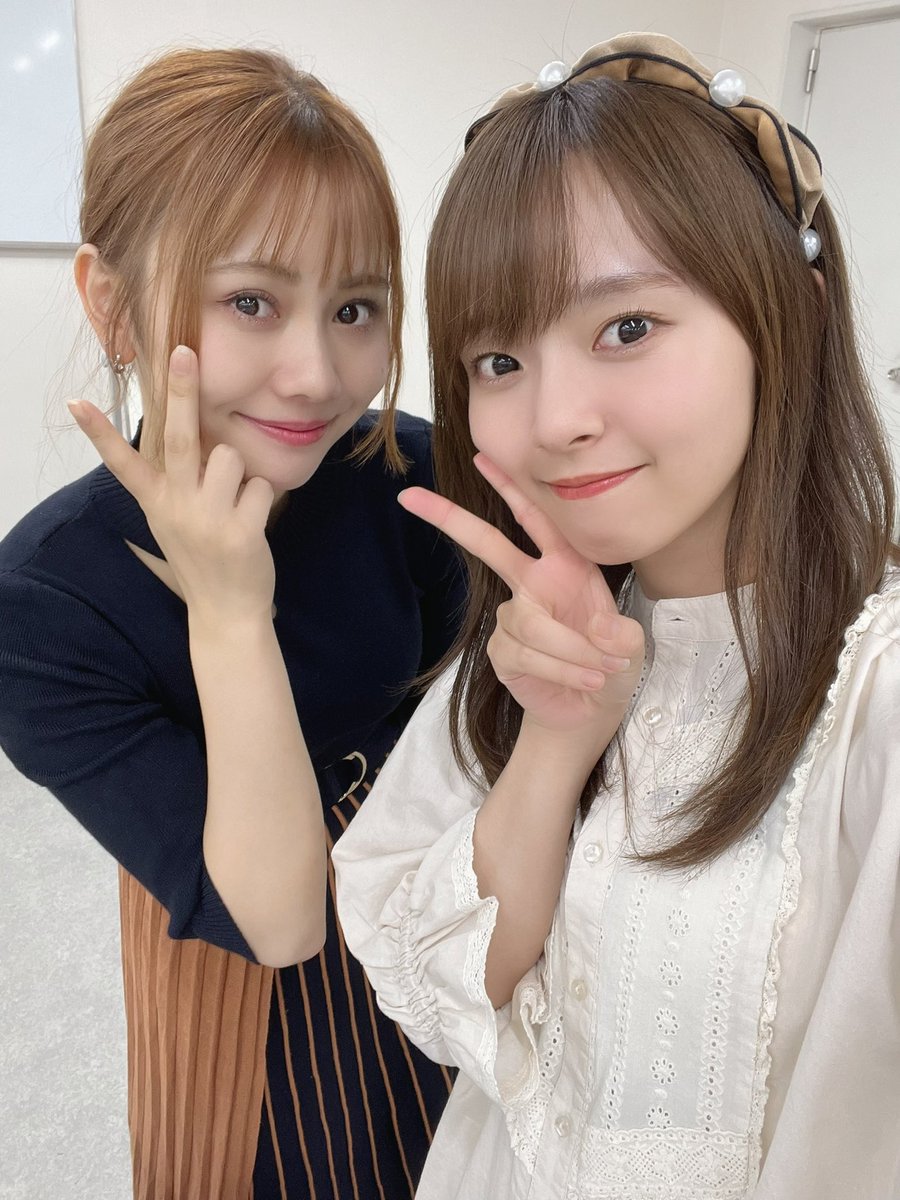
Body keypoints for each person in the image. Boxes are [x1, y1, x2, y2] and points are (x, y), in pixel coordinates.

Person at [333, 32, 900, 1200]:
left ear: (790, 316)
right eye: (497, 359)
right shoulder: (520, 656)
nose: (554, 418)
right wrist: (558, 736)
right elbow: (451, 991)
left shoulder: (876, 696)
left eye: (627, 327)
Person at [0, 48, 463, 1200]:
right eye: (252, 301)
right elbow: (279, 920)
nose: (316, 374)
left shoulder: (407, 476)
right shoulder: (43, 606)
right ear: (112, 304)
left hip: (441, 925)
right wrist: (228, 611)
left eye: (355, 308)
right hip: (242, 964)